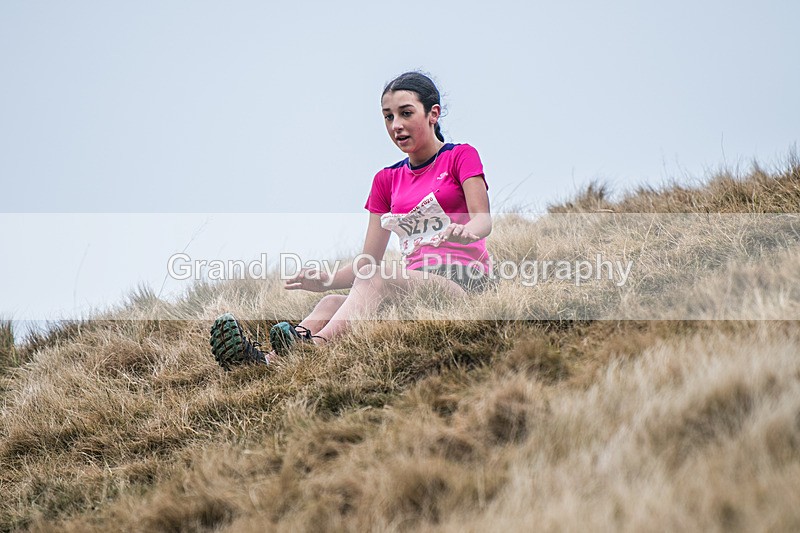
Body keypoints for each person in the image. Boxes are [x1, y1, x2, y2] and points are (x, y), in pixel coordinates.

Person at [209, 71, 492, 370]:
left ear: (433, 113)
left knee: (375, 277)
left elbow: (483, 221)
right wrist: (328, 281)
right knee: (331, 303)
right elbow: (369, 259)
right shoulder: (386, 180)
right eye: (388, 117)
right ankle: (266, 362)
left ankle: (312, 349)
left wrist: (466, 231)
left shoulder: (460, 156)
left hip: (460, 282)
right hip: (412, 287)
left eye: (406, 113)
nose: (396, 125)